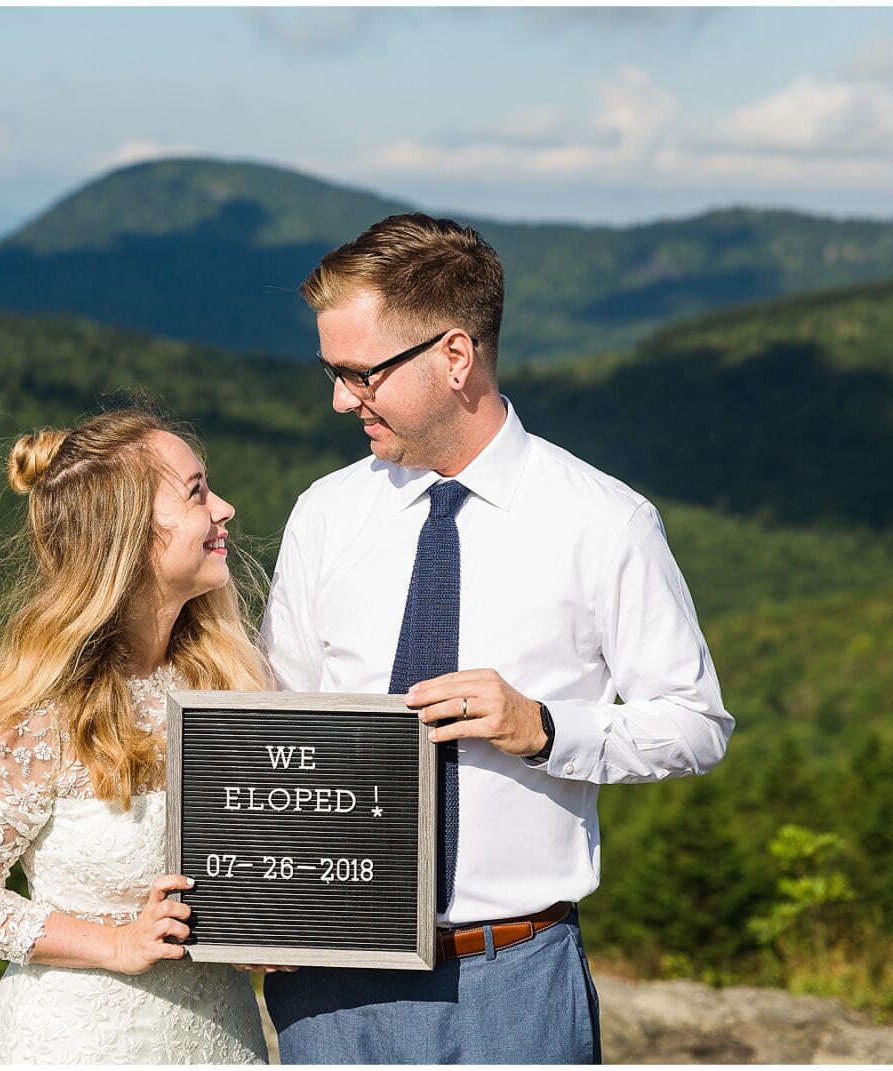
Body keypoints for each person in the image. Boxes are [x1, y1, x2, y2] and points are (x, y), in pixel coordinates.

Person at [258, 214, 734, 1064]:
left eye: (359, 373)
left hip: (511, 980)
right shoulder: (324, 515)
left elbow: (696, 724)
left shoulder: (606, 522)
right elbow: (274, 725)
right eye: (331, 372)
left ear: (454, 356)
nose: (339, 399)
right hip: (327, 978)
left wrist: (546, 729)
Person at [0, 407, 272, 1064]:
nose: (224, 508)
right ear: (130, 535)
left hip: (223, 1040)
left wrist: (273, 930)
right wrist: (116, 944)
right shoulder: (35, 710)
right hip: (78, 1043)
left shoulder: (235, 681)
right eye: (196, 491)